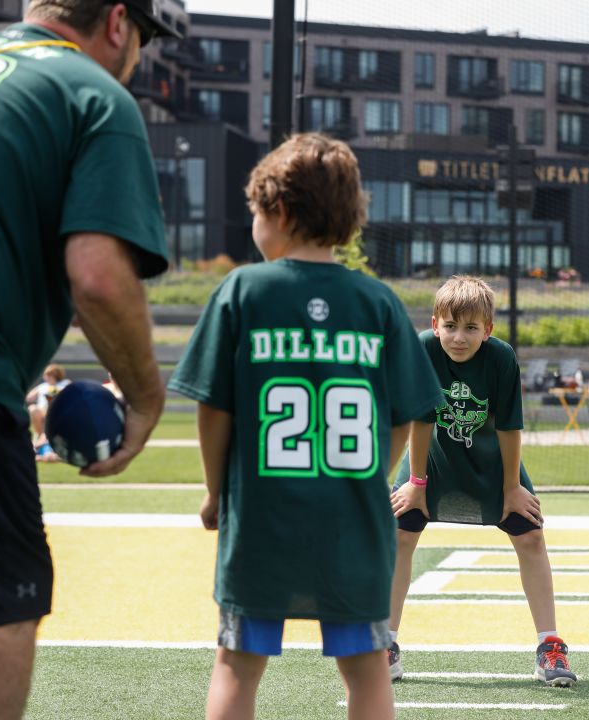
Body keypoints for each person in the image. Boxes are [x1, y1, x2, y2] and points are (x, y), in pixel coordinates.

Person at [0, 2, 177, 718]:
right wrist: (146, 399)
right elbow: (97, 277)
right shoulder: (89, 89)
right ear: (119, 23)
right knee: (0, 595)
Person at [168, 133, 443, 720]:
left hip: (263, 522)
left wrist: (217, 490)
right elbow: (405, 413)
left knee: (237, 665)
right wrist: (370, 476)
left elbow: (213, 407)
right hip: (351, 524)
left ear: (281, 211)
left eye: (254, 211)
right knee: (367, 669)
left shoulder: (242, 290)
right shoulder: (379, 303)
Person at [388, 276, 578, 688]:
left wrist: (512, 488)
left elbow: (510, 428)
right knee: (399, 532)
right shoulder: (423, 347)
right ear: (435, 323)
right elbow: (420, 420)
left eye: (471, 328)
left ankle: (550, 646)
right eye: (451, 326)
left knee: (531, 537)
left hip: (494, 459)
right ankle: (384, 643)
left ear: (487, 330)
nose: (459, 337)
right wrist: (416, 482)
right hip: (434, 458)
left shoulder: (501, 358)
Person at [25, 363, 71, 440]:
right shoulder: (42, 386)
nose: (46, 377)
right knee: (32, 408)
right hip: (43, 412)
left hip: (61, 411)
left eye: (49, 374)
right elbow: (28, 398)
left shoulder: (66, 383)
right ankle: (41, 436)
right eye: (46, 374)